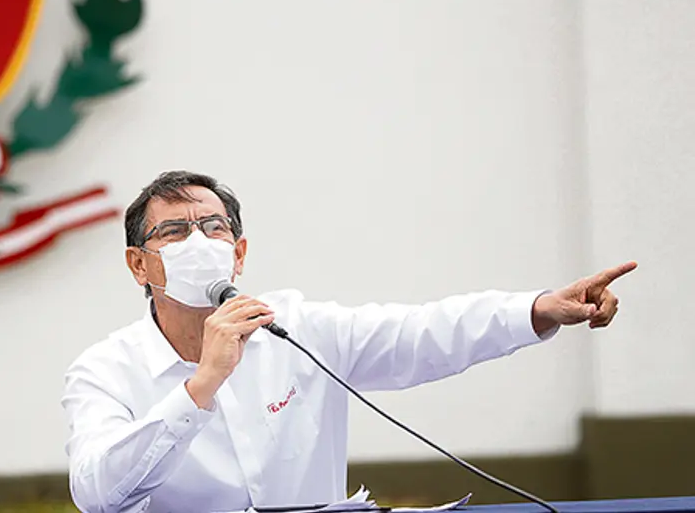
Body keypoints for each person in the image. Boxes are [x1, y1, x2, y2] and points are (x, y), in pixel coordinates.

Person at [61, 170, 636, 513]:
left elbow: (424, 332)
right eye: (174, 231)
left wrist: (538, 308)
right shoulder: (104, 370)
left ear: (238, 252)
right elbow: (98, 494)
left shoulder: (297, 328)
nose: (199, 241)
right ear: (140, 264)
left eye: (214, 228)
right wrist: (200, 385)